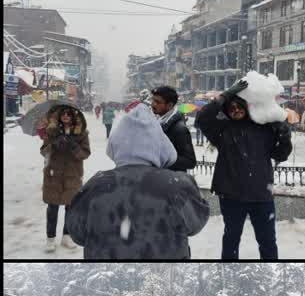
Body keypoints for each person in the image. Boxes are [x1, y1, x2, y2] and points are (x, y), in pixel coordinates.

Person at [65, 103, 209, 259]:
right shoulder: (177, 186)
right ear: (160, 145)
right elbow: (196, 222)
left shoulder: (95, 186)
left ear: (116, 145)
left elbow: (76, 232)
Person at [195, 79, 293, 260]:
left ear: (247, 108)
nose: (236, 111)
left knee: (268, 242)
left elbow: (280, 155)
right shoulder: (222, 130)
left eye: (239, 107)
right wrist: (225, 96)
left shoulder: (264, 128)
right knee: (231, 239)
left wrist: (285, 137)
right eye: (231, 108)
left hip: (261, 196)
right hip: (232, 197)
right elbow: (202, 119)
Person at [41, 105, 91, 253]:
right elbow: (43, 151)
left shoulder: (82, 134)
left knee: (70, 207)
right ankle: (50, 239)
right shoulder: (51, 132)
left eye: (69, 114)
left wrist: (74, 146)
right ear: (59, 116)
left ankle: (66, 236)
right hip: (53, 175)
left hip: (72, 175)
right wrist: (53, 145)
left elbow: (85, 154)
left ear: (74, 117)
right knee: (52, 208)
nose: (66, 116)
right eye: (63, 114)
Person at [150, 86, 197, 172]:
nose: (153, 104)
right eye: (153, 100)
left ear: (169, 105)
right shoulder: (156, 122)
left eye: (157, 102)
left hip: (171, 181)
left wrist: (163, 159)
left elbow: (190, 161)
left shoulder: (179, 129)